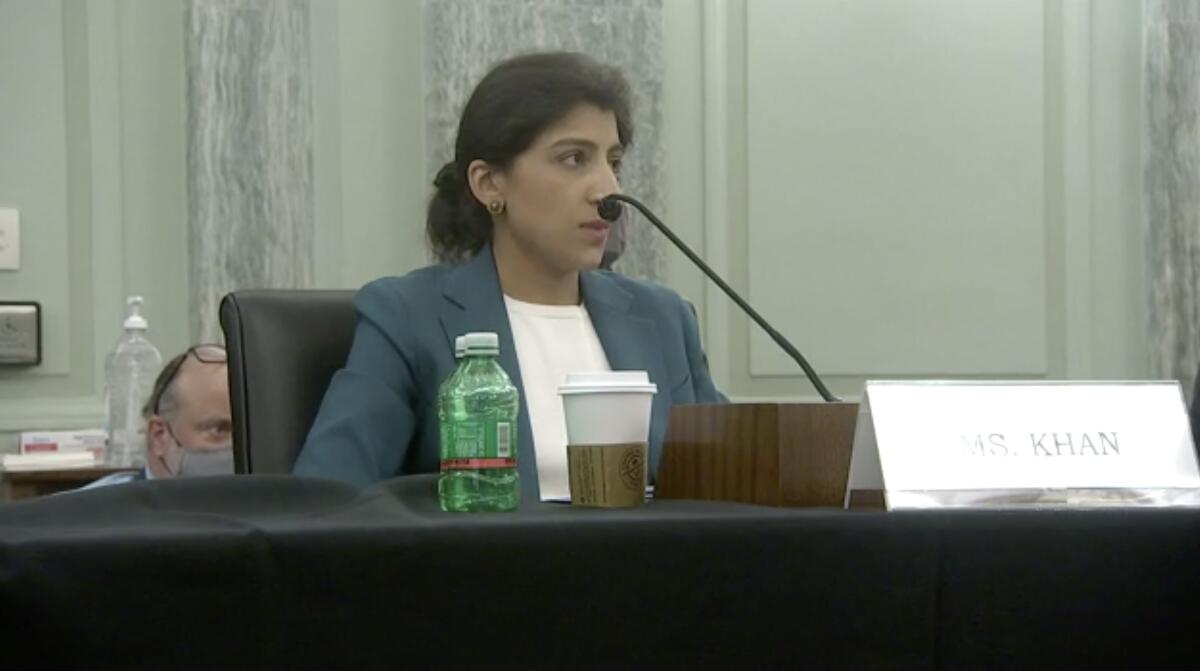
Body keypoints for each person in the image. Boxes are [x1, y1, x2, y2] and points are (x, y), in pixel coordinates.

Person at [294, 51, 726, 500]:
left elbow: (729, 485)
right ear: (489, 185)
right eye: (574, 159)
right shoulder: (408, 317)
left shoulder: (663, 318)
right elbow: (325, 498)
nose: (608, 191)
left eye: (612, 162)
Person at [83, 344, 234, 488]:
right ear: (159, 436)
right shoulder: (89, 511)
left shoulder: (253, 508)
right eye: (219, 430)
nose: (238, 449)